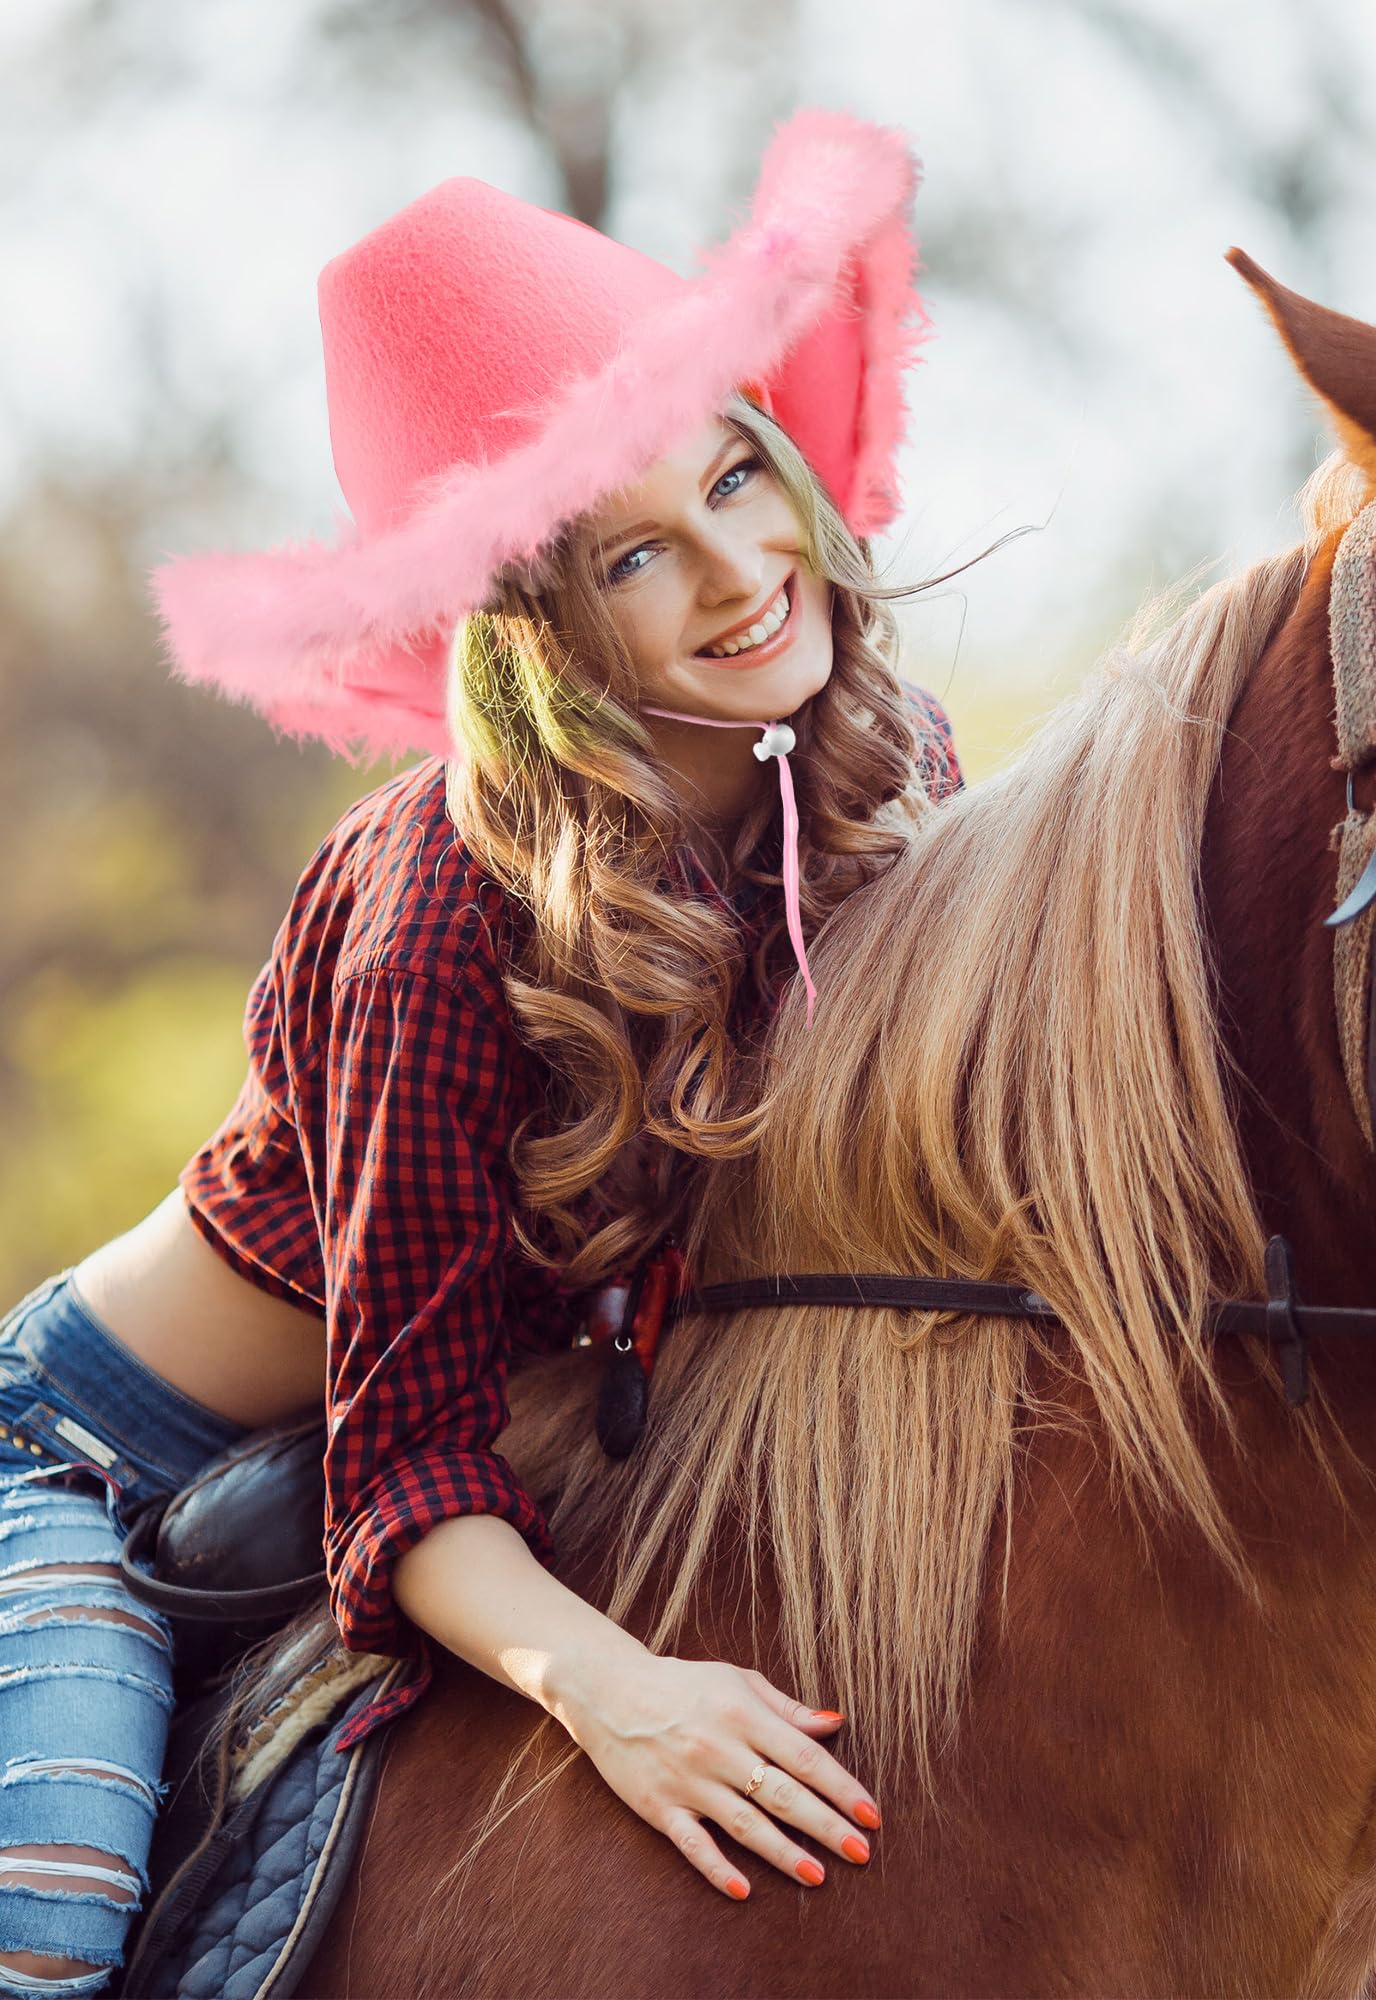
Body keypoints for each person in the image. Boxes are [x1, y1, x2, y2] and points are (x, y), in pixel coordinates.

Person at [0, 108, 959, 1992]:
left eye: (740, 480)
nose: (739, 572)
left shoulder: (885, 757)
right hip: (97, 1459)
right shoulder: (439, 900)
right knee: (43, 1901)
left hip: (540, 1409)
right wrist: (620, 1696)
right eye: (631, 560)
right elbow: (405, 1462)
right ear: (534, 622)